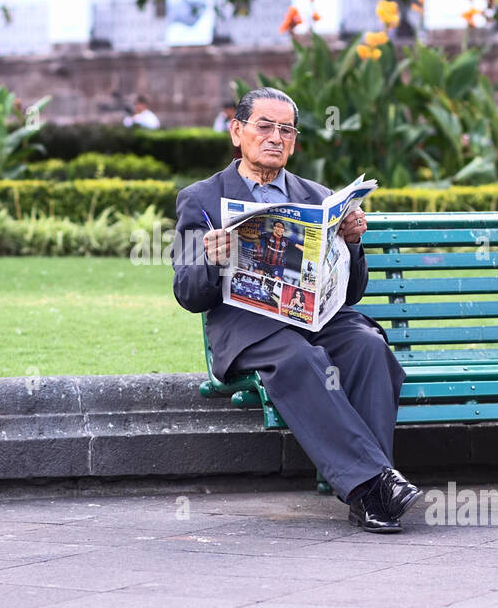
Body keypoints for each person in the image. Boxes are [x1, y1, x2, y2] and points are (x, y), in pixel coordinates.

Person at [172, 86, 422, 534]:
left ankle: (371, 490)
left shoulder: (317, 196)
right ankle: (373, 488)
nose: (275, 138)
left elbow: (351, 294)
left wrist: (352, 243)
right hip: (251, 328)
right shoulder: (203, 199)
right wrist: (210, 259)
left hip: (316, 318)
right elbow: (188, 294)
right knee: (300, 359)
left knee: (366, 345)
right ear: (237, 131)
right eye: (263, 126)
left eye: (285, 130)